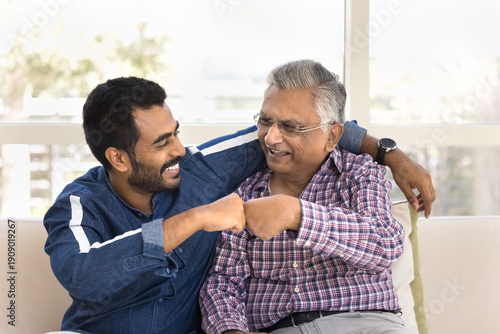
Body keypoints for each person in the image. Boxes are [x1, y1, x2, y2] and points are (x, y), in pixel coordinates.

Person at [44, 75, 432, 334]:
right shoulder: (78, 204)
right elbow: (82, 273)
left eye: (176, 133)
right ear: (118, 158)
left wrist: (391, 155)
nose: (180, 149)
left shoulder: (200, 169)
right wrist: (194, 219)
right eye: (162, 143)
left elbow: (308, 126)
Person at [199, 60, 415, 334]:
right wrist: (231, 330)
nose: (271, 138)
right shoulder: (244, 193)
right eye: (266, 121)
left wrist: (296, 214)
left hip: (367, 323)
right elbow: (224, 280)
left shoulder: (358, 174)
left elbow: (383, 244)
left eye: (291, 127)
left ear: (332, 135)